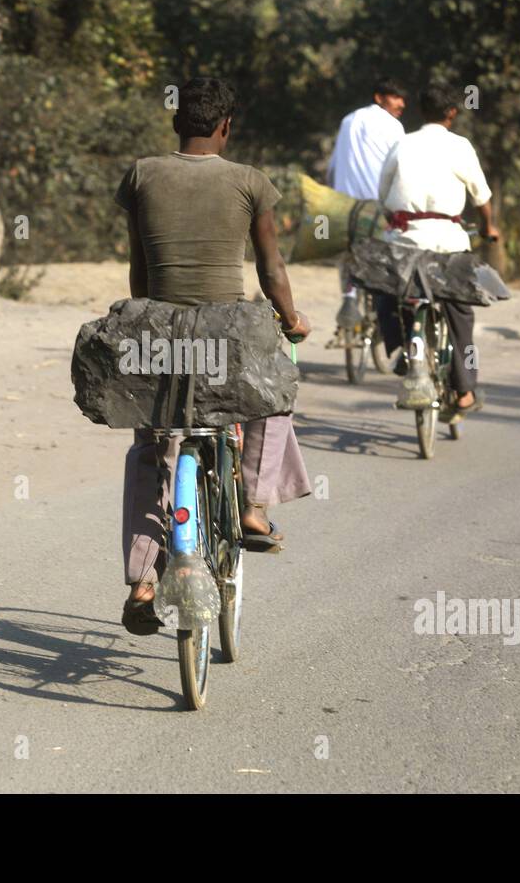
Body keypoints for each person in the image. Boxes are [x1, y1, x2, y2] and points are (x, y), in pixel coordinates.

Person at [115, 77, 312, 634]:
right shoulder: (250, 182)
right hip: (229, 335)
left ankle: (143, 580)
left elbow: (139, 270)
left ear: (177, 123)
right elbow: (271, 272)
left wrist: (147, 315)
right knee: (275, 394)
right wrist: (292, 320)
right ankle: (252, 506)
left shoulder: (141, 174)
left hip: (157, 332)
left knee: (152, 451)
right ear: (227, 127)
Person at [373, 82, 499, 414]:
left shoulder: (402, 144)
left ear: (420, 111)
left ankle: (401, 348)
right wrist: (488, 227)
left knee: (385, 293)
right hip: (449, 243)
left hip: (405, 243)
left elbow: (383, 195)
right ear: (452, 113)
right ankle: (466, 391)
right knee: (459, 311)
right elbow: (482, 198)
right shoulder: (461, 147)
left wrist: (399, 217)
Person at [327, 79, 408, 328]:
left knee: (350, 253)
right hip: (378, 207)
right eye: (395, 97)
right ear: (378, 97)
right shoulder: (394, 126)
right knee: (390, 256)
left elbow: (332, 167)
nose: (401, 104)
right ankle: (385, 312)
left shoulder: (348, 120)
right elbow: (401, 170)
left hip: (345, 206)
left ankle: (349, 296)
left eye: (402, 99)